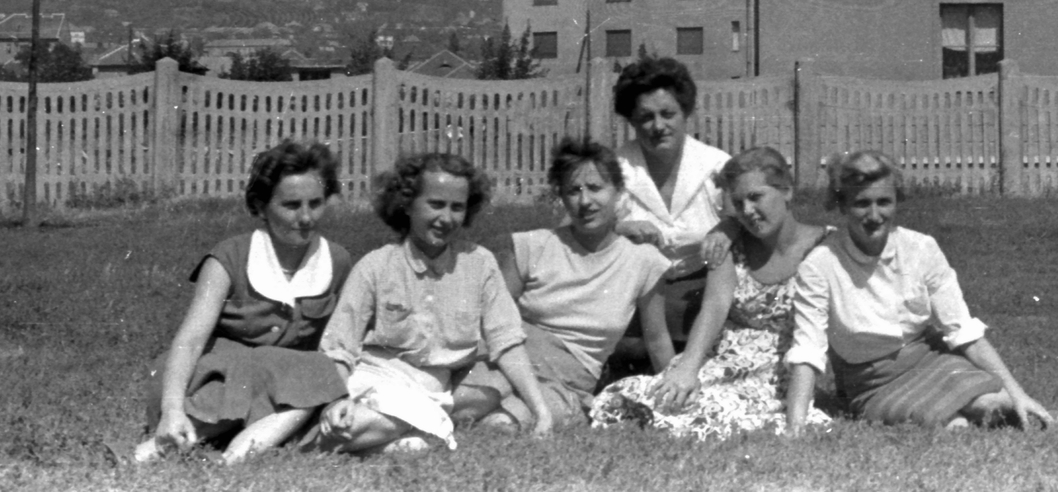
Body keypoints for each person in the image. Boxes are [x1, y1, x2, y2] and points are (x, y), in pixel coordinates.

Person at [784, 150, 1058, 433]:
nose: (874, 215)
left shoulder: (921, 248)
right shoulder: (819, 265)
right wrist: (795, 429)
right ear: (841, 205)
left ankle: (1020, 412)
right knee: (954, 426)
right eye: (862, 203)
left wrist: (1018, 394)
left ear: (897, 202)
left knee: (993, 404)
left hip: (930, 360)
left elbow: (964, 332)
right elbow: (808, 352)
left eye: (884, 202)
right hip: (871, 383)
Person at [312, 152, 553, 453]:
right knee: (353, 424)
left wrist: (541, 412)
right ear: (408, 204)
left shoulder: (480, 264)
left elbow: (507, 342)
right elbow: (338, 347)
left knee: (492, 389)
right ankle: (389, 433)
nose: (446, 218)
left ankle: (386, 439)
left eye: (457, 208)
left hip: (437, 388)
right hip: (378, 380)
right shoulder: (375, 266)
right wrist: (338, 400)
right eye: (435, 204)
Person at [592, 146, 833, 438]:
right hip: (723, 357)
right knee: (665, 395)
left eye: (756, 197)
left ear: (787, 191)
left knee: (713, 411)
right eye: (738, 202)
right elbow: (715, 306)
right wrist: (688, 366)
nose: (747, 211)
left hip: (782, 366)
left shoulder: (826, 244)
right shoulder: (729, 243)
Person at [135, 141, 352, 464]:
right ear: (261, 206)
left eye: (315, 203)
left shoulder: (336, 261)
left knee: (320, 372)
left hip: (287, 389)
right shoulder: (229, 258)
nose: (306, 217)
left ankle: (231, 460)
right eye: (291, 205)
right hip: (210, 381)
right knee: (304, 375)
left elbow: (342, 343)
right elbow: (191, 341)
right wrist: (171, 408)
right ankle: (168, 439)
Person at [492, 138, 675, 427]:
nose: (585, 201)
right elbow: (492, 319)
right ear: (561, 197)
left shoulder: (644, 261)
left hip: (568, 384)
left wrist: (675, 396)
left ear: (618, 192)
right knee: (475, 398)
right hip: (510, 364)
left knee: (505, 421)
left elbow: (657, 340)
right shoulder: (533, 246)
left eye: (595, 188)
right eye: (574, 190)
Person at [606, 55, 733, 371]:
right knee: (626, 348)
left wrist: (728, 229)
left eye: (668, 114)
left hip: (703, 295)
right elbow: (572, 234)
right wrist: (618, 230)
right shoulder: (614, 169)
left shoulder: (716, 166)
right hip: (637, 296)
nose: (658, 126)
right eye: (645, 117)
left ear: (686, 113)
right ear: (631, 121)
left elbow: (750, 222)